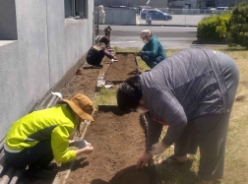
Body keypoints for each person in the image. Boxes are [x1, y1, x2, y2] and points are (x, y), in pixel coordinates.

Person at [117, 48, 239, 184]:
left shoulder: (154, 91)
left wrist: (163, 145)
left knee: (208, 123)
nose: (137, 111)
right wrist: (148, 152)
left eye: (134, 108)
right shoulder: (144, 92)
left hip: (220, 70)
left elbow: (179, 121)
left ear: (138, 99)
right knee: (184, 112)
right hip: (201, 72)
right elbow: (154, 122)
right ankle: (181, 158)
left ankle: (208, 177)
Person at [4, 93, 95, 178]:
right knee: (52, 144)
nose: (83, 121)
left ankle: (38, 165)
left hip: (10, 144)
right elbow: (61, 157)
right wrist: (83, 151)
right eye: (83, 117)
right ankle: (35, 169)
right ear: (76, 113)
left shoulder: (60, 110)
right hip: (15, 154)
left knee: (53, 142)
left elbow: (58, 140)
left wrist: (75, 143)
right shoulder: (66, 124)